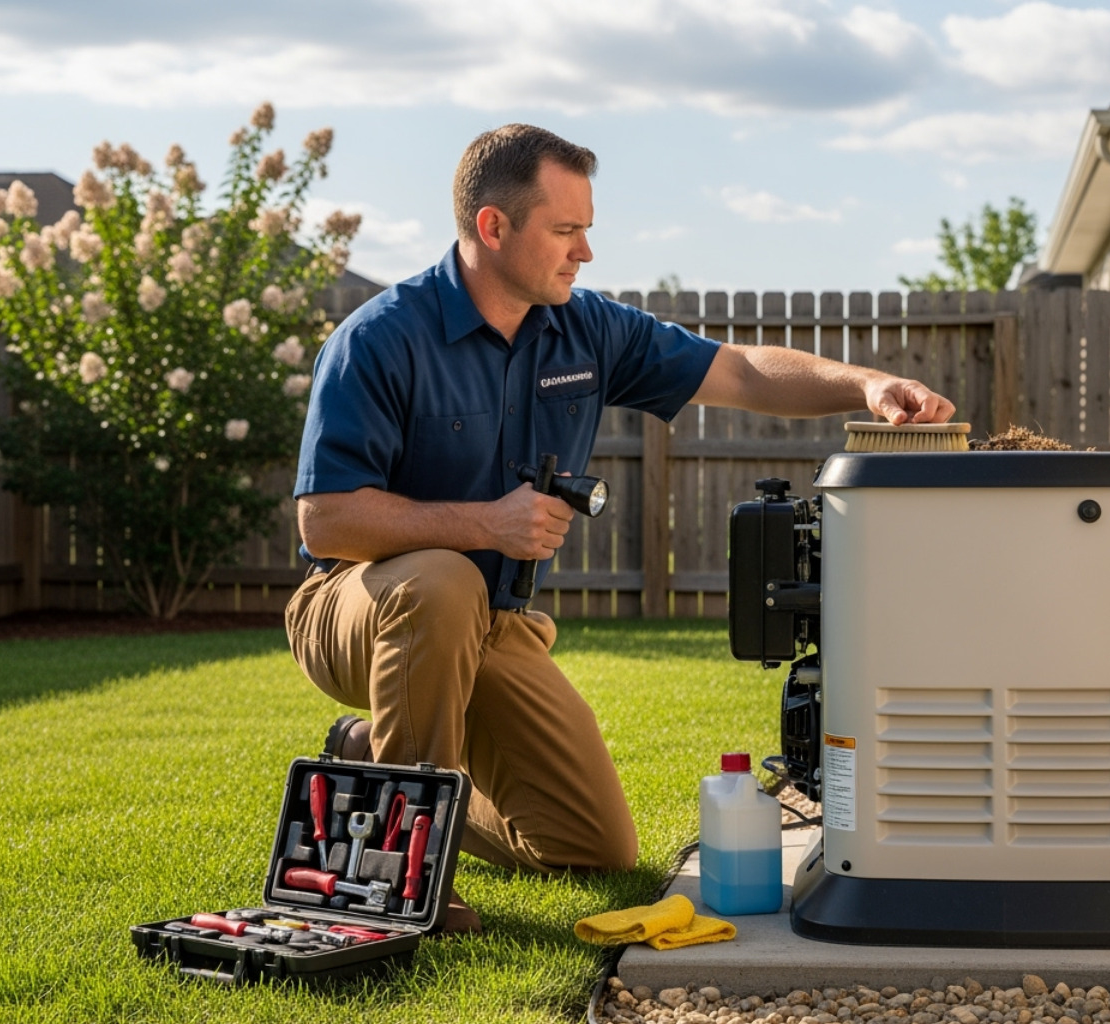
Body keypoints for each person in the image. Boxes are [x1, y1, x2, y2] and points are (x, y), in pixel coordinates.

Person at [285, 124, 953, 932]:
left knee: (591, 845)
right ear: (493, 227)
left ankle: (370, 757)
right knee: (444, 576)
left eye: (587, 229)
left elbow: (738, 371)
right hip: (359, 609)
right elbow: (325, 521)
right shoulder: (379, 341)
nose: (585, 252)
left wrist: (868, 383)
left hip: (493, 625)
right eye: (566, 231)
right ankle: (411, 877)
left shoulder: (585, 330)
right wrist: (485, 525)